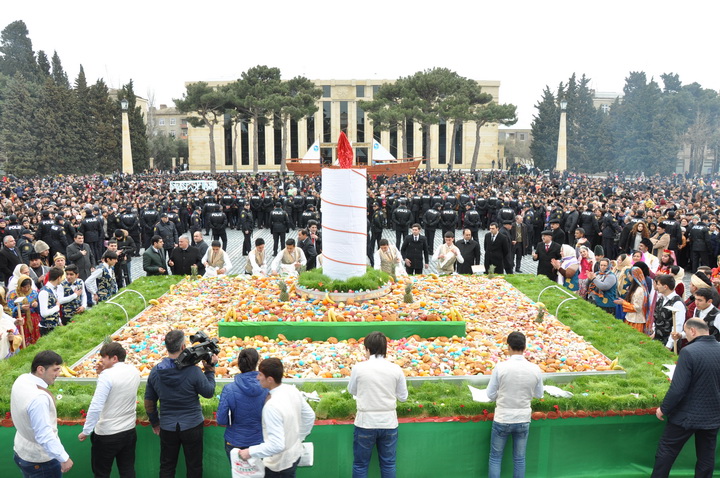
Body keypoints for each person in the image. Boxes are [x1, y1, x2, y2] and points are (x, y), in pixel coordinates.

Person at [651, 318, 720, 477]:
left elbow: (678, 388)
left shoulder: (689, 351)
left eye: (686, 332)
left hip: (686, 416)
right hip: (712, 415)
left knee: (666, 451)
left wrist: (664, 408)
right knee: (706, 457)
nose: (686, 336)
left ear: (693, 331)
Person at [144, 329, 218, 478]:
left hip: (167, 427)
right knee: (194, 466)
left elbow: (148, 401)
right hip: (192, 425)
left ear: (166, 347)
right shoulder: (194, 371)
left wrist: (154, 423)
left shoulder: (155, 372)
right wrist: (210, 370)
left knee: (167, 466)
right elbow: (209, 393)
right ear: (183, 347)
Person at [239, 358, 315, 478]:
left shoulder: (272, 406)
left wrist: (249, 452)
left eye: (260, 374)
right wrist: (298, 438)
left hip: (278, 466)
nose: (257, 377)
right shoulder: (292, 390)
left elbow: (277, 445)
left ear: (270, 379)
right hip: (294, 454)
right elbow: (310, 416)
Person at [347, 331, 408, 478]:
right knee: (388, 464)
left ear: (368, 349)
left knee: (360, 465)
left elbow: (352, 390)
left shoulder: (359, 368)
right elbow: (403, 397)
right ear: (384, 348)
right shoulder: (395, 369)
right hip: (389, 423)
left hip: (365, 423)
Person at [78, 342, 141, 478]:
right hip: (129, 430)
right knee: (127, 470)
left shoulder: (107, 375)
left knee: (101, 473)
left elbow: (96, 406)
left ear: (114, 358)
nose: (101, 360)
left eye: (104, 357)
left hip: (107, 434)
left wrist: (86, 430)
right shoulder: (134, 371)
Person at [486, 331, 544, 478]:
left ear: (508, 347)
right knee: (519, 459)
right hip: (523, 419)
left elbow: (490, 395)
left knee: (495, 457)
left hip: (503, 418)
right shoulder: (535, 369)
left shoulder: (501, 367)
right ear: (525, 347)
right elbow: (539, 394)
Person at [11, 350, 74, 476]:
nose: (58, 374)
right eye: (55, 370)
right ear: (40, 369)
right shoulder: (38, 398)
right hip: (40, 461)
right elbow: (44, 435)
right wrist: (64, 458)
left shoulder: (22, 379)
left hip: (21, 451)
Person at [216, 348, 268, 459]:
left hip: (235, 442)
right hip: (260, 442)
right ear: (257, 363)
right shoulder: (267, 388)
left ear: (239, 364)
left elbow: (221, 419)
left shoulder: (229, 389)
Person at [652, 274, 686, 351]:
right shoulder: (661, 299)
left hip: (669, 342)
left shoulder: (677, 303)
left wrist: (669, 346)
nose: (657, 286)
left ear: (665, 287)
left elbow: (677, 326)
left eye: (659, 284)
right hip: (658, 339)